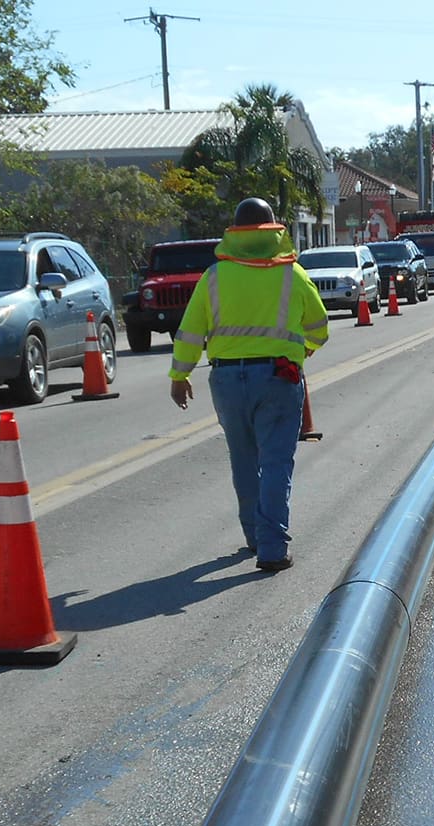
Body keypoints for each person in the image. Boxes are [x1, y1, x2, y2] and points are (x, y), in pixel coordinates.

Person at [169, 197, 329, 573]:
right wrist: (297, 353)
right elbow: (320, 328)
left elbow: (190, 333)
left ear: (235, 233)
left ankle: (254, 536)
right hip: (278, 378)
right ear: (274, 230)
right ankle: (271, 548)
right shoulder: (293, 275)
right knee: (275, 463)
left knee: (243, 460)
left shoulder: (214, 277)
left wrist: (179, 376)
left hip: (225, 379)